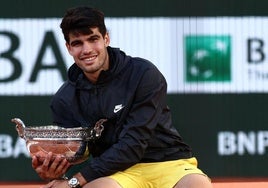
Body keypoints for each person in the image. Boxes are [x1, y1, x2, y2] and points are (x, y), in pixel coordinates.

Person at [32, 6, 213, 188]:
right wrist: (56, 168)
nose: (86, 50)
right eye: (78, 43)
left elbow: (134, 144)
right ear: (69, 48)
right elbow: (79, 152)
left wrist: (73, 182)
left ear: (106, 39)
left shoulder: (143, 74)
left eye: (93, 39)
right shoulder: (64, 99)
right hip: (116, 173)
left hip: (170, 164)